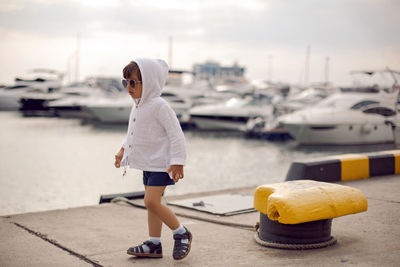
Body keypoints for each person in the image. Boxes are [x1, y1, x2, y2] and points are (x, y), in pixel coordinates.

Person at [114, 58, 192, 260]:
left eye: (133, 83)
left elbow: (176, 135)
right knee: (152, 203)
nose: (128, 88)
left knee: (151, 201)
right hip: (148, 164)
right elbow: (132, 133)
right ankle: (154, 243)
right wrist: (123, 150)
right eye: (125, 82)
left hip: (161, 165)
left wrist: (178, 161)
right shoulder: (138, 105)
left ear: (148, 83)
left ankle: (181, 232)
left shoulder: (160, 106)